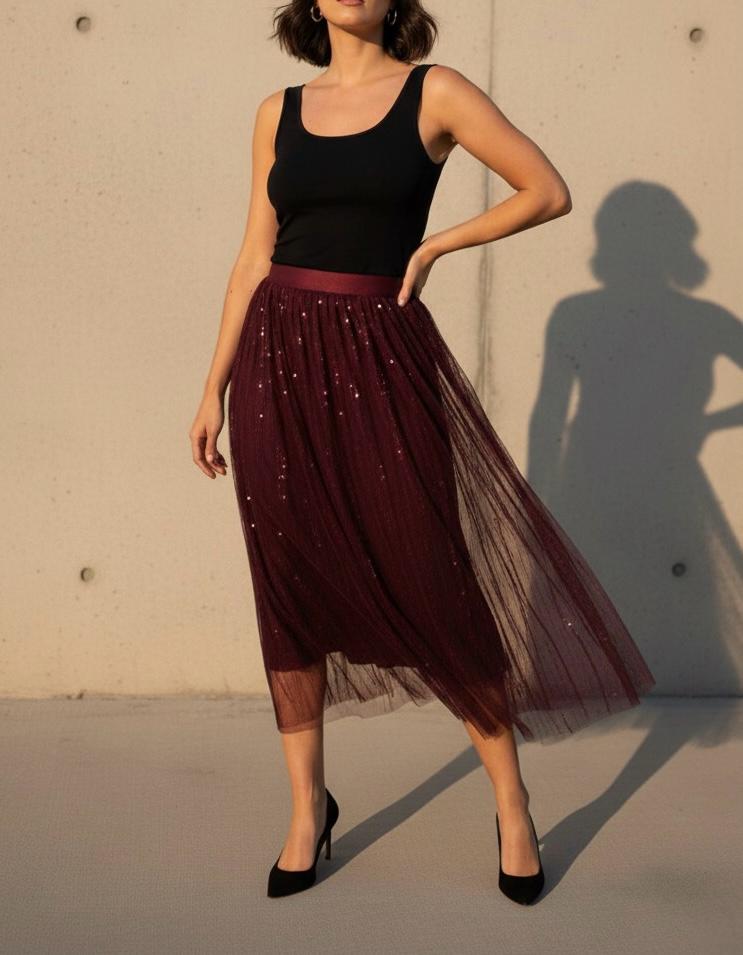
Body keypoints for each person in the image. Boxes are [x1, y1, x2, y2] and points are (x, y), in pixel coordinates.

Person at [189, 0, 656, 904]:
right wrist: (213, 384)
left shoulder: (433, 93)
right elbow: (252, 256)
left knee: (433, 576)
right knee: (287, 581)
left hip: (378, 354)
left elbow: (545, 190)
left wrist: (438, 243)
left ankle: (511, 804)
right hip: (275, 359)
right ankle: (306, 809)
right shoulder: (277, 110)